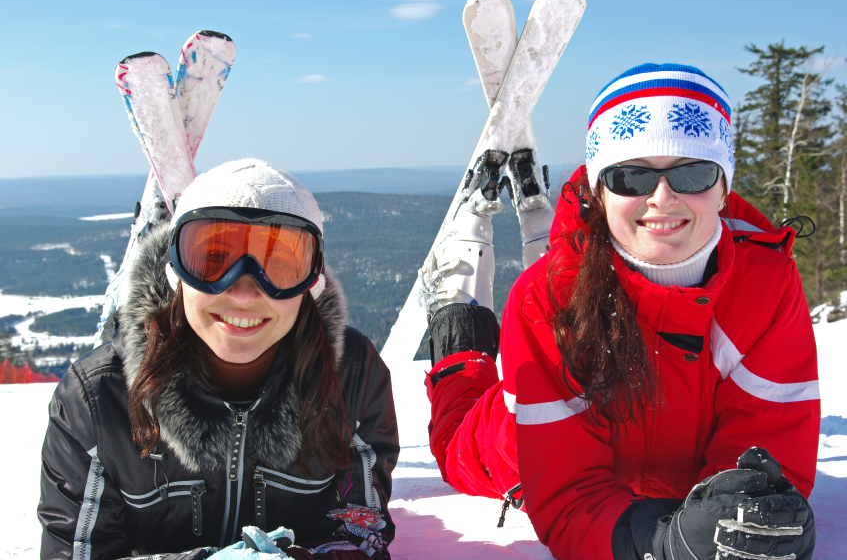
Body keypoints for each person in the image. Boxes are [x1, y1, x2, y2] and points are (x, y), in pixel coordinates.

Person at [421, 64, 820, 559]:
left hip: (636, 458)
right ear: (598, 191)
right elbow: (567, 497)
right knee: (457, 448)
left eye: (691, 172)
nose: (662, 197)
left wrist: (740, 515)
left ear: (723, 188)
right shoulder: (543, 300)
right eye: (631, 176)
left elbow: (766, 442)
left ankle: (552, 242)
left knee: (569, 280)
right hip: (521, 446)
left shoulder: (766, 287)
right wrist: (656, 543)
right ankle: (456, 306)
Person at [38, 159, 399, 560]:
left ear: (310, 284)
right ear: (176, 271)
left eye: (279, 267)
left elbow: (358, 529)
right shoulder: (97, 403)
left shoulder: (352, 378)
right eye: (212, 262)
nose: (244, 293)